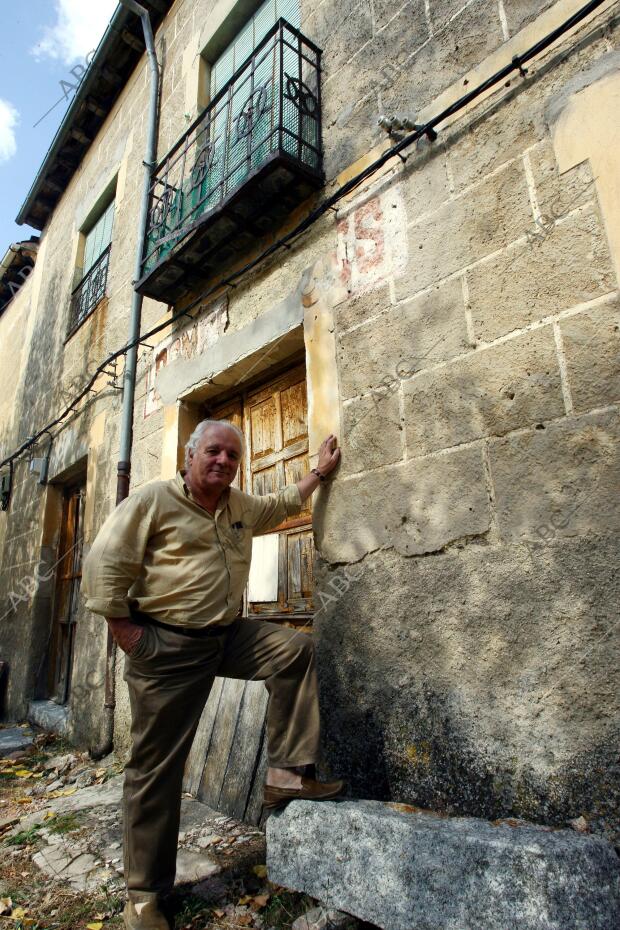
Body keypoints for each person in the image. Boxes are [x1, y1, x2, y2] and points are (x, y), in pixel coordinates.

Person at [81, 420, 345, 930]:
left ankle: (286, 774)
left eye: (232, 454)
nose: (223, 461)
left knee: (294, 651)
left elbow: (281, 504)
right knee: (155, 770)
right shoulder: (155, 500)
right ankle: (143, 897)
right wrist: (128, 634)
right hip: (167, 646)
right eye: (213, 451)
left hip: (225, 636)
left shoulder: (239, 506)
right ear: (190, 455)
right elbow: (104, 563)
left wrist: (317, 472)